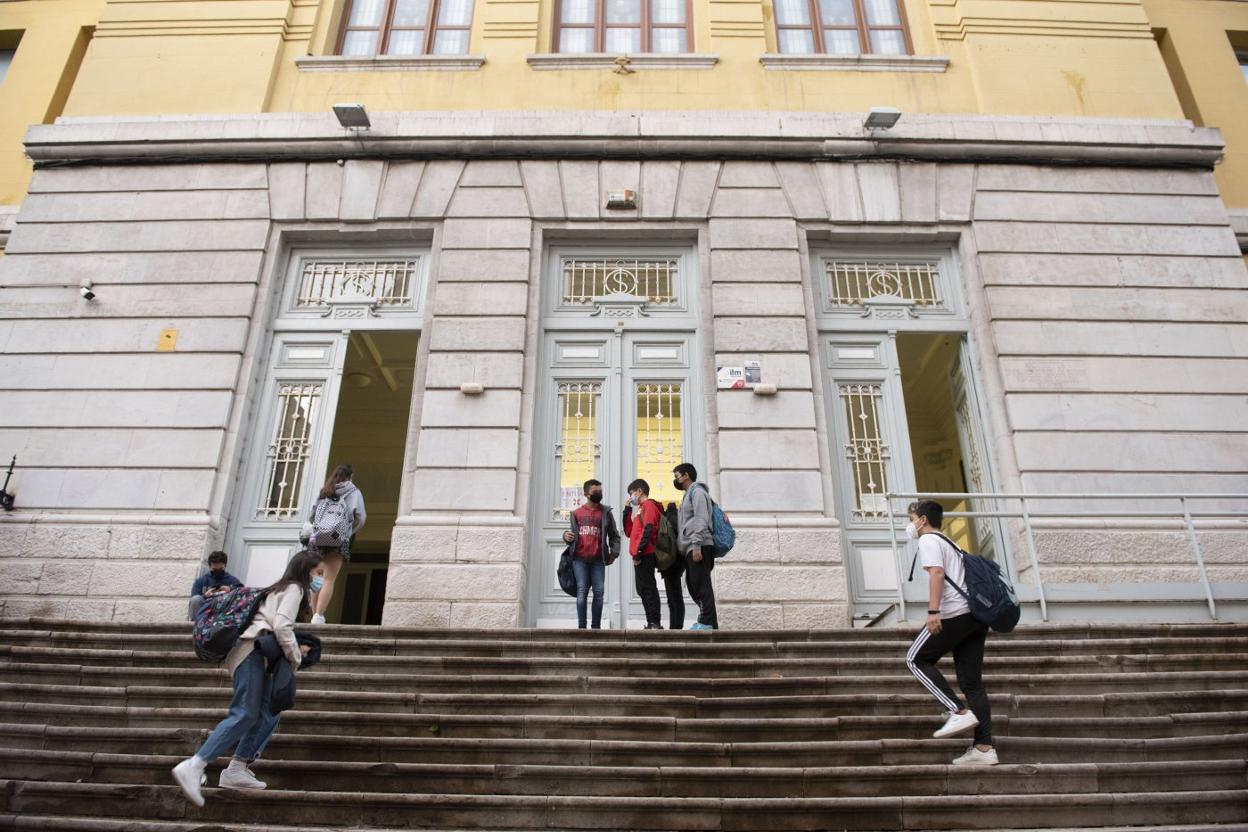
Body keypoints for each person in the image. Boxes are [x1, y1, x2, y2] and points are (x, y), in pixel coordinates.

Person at [171, 549, 325, 806]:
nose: (321, 579)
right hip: (250, 652)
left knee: (269, 712)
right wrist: (296, 658)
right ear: (305, 569)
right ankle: (195, 764)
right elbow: (281, 626)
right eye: (318, 573)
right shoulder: (295, 588)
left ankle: (237, 768)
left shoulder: (279, 588)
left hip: (256, 654)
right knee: (245, 712)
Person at [903, 499, 998, 766]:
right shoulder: (949, 541)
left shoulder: (929, 540)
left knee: (915, 659)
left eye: (911, 519)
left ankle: (956, 710)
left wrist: (934, 612)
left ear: (922, 520)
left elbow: (936, 573)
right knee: (972, 683)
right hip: (975, 616)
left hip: (954, 613)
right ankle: (984, 748)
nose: (910, 525)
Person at [306, 463, 366, 625]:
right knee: (329, 579)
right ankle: (319, 615)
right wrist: (348, 531)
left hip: (318, 540)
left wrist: (320, 528)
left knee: (316, 578)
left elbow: (312, 515)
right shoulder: (354, 492)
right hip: (338, 540)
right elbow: (360, 517)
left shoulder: (324, 492)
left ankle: (313, 615)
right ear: (350, 477)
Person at [561, 479, 620, 629]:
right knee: (582, 591)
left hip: (598, 560)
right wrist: (565, 537)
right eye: (596, 492)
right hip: (579, 559)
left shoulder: (606, 512)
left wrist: (614, 553)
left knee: (599, 593)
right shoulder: (576, 513)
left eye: (600, 491)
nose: (599, 494)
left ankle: (596, 627)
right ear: (587, 494)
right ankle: (582, 627)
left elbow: (614, 535)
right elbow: (571, 535)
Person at [672, 463, 717, 631]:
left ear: (686, 476)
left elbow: (701, 518)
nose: (675, 479)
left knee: (701, 585)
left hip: (699, 545)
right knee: (693, 585)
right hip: (691, 546)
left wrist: (696, 544)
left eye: (676, 476)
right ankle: (709, 621)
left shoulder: (697, 492)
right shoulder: (689, 494)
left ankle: (707, 622)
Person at [622, 478, 664, 630]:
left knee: (648, 588)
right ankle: (651, 621)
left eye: (631, 493)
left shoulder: (649, 505)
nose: (630, 496)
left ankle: (655, 622)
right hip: (639, 554)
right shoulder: (640, 508)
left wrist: (639, 553)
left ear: (639, 491)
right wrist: (627, 511)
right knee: (642, 589)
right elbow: (629, 531)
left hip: (646, 553)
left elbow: (649, 529)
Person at [188, 550, 242, 620]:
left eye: (221, 569)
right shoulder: (201, 581)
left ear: (225, 566)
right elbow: (194, 600)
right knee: (196, 599)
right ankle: (195, 625)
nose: (218, 572)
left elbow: (243, 593)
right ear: (209, 567)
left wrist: (230, 589)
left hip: (223, 612)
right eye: (214, 569)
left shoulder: (232, 580)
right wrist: (205, 596)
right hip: (204, 613)